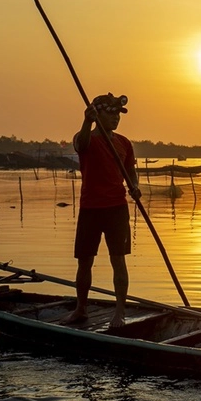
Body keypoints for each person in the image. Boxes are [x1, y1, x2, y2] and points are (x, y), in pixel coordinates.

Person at [64, 93, 140, 329]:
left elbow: (130, 170)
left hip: (116, 209)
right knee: (85, 261)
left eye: (118, 114)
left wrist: (135, 186)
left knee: (118, 260)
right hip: (91, 209)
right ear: (99, 115)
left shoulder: (124, 143)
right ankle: (81, 309)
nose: (116, 118)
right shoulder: (87, 138)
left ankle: (119, 312)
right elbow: (81, 144)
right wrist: (87, 121)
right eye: (111, 113)